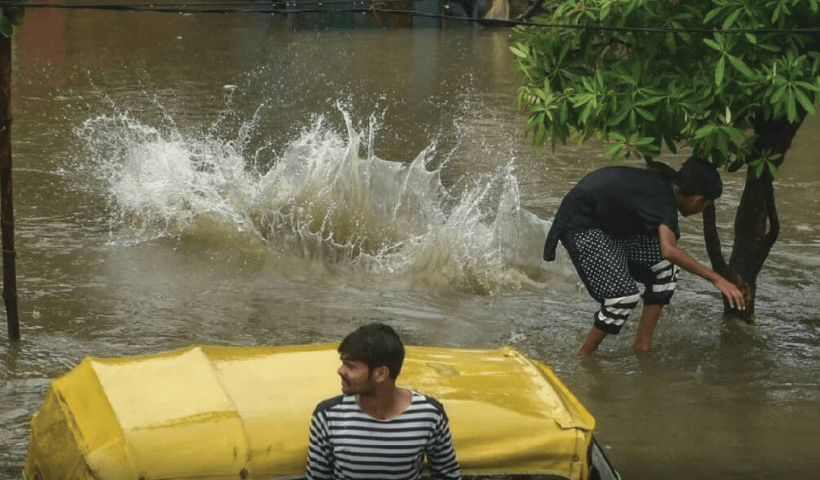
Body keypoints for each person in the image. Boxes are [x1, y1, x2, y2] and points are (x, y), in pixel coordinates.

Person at [543, 156, 746, 355]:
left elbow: (666, 256)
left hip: (608, 225)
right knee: (621, 298)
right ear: (698, 199)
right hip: (581, 224)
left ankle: (642, 346)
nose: (701, 211)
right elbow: (670, 250)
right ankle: (584, 357)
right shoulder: (664, 200)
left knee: (665, 270)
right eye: (705, 207)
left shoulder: (664, 186)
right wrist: (717, 279)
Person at [305, 323, 462, 480]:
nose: (341, 370)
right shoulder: (328, 416)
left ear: (380, 373)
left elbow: (447, 475)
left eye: (350, 366)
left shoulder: (429, 415)